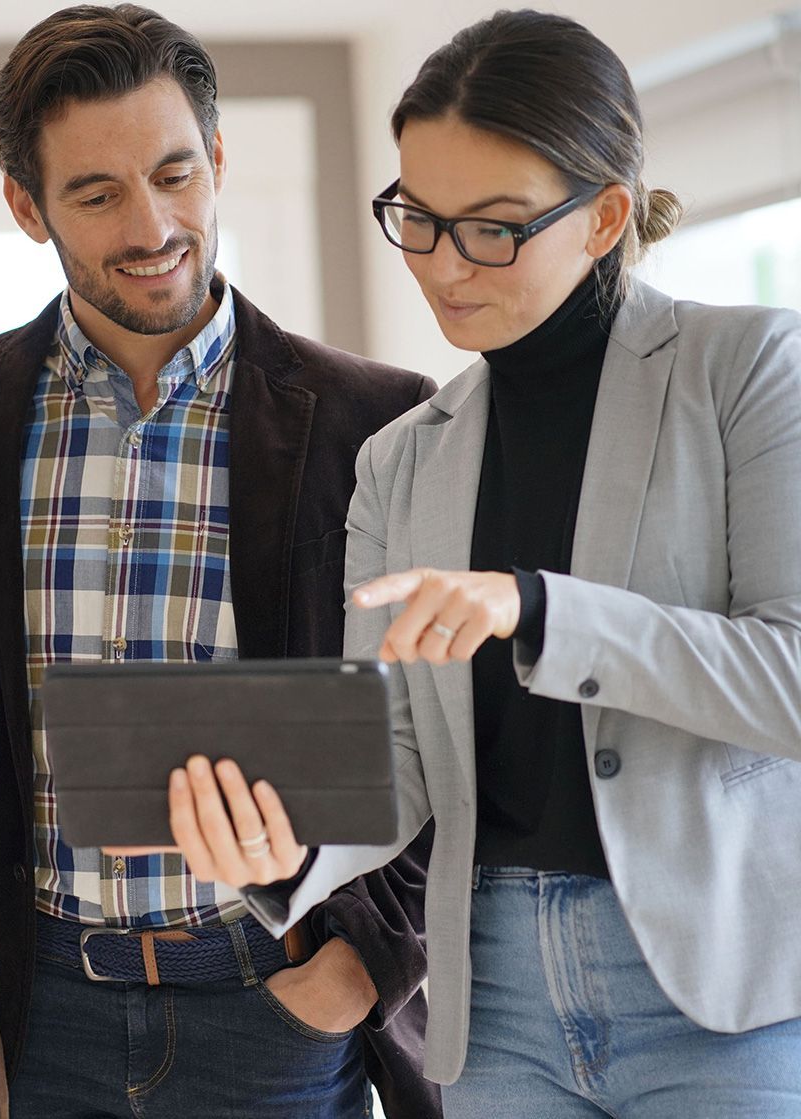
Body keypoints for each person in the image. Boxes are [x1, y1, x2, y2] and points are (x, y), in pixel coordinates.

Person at [163, 9, 801, 1117]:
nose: (442, 266)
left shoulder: (746, 369)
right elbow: (395, 759)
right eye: (417, 216)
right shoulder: (402, 460)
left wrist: (538, 610)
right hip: (492, 1000)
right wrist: (284, 850)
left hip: (718, 991)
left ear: (604, 218)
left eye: (492, 229)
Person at [0, 6, 441, 1117]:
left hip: (275, 1006)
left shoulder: (377, 422)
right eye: (97, 195)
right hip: (31, 1013)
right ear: (24, 204)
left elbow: (462, 726)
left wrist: (368, 965)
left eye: (176, 173)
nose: (152, 225)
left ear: (219, 161)